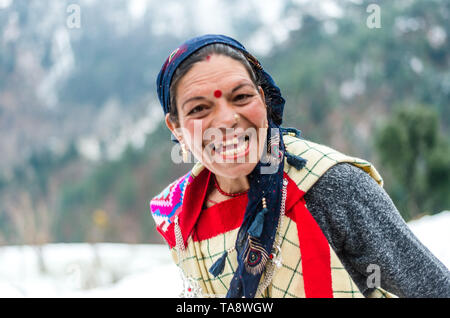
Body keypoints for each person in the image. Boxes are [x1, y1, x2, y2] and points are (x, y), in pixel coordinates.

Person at [150, 34, 450, 298]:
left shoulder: (331, 186)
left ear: (263, 99)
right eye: (199, 108)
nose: (227, 119)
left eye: (241, 97)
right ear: (175, 128)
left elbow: (434, 288)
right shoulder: (180, 215)